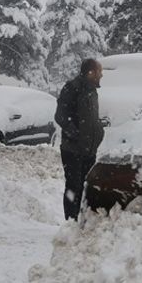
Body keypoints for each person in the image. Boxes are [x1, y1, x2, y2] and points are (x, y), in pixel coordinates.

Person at [55, 58, 105, 220]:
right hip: (72, 150)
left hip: (89, 150)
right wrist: (75, 135)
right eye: (99, 72)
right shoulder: (72, 88)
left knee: (85, 187)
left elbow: (89, 118)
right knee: (73, 187)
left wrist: (98, 130)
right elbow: (61, 116)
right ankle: (70, 221)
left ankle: (81, 220)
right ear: (90, 72)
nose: (101, 75)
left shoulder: (92, 91)